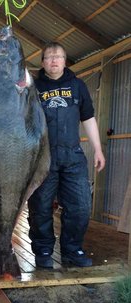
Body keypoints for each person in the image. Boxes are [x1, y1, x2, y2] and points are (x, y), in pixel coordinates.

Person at [28, 42, 105, 268]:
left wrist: (98, 149)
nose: (54, 61)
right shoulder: (32, 88)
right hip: (42, 158)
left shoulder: (77, 86)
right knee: (40, 207)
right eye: (49, 57)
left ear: (65, 61)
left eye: (59, 57)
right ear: (43, 62)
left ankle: (72, 250)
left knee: (80, 205)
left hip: (73, 157)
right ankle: (42, 252)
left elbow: (88, 118)